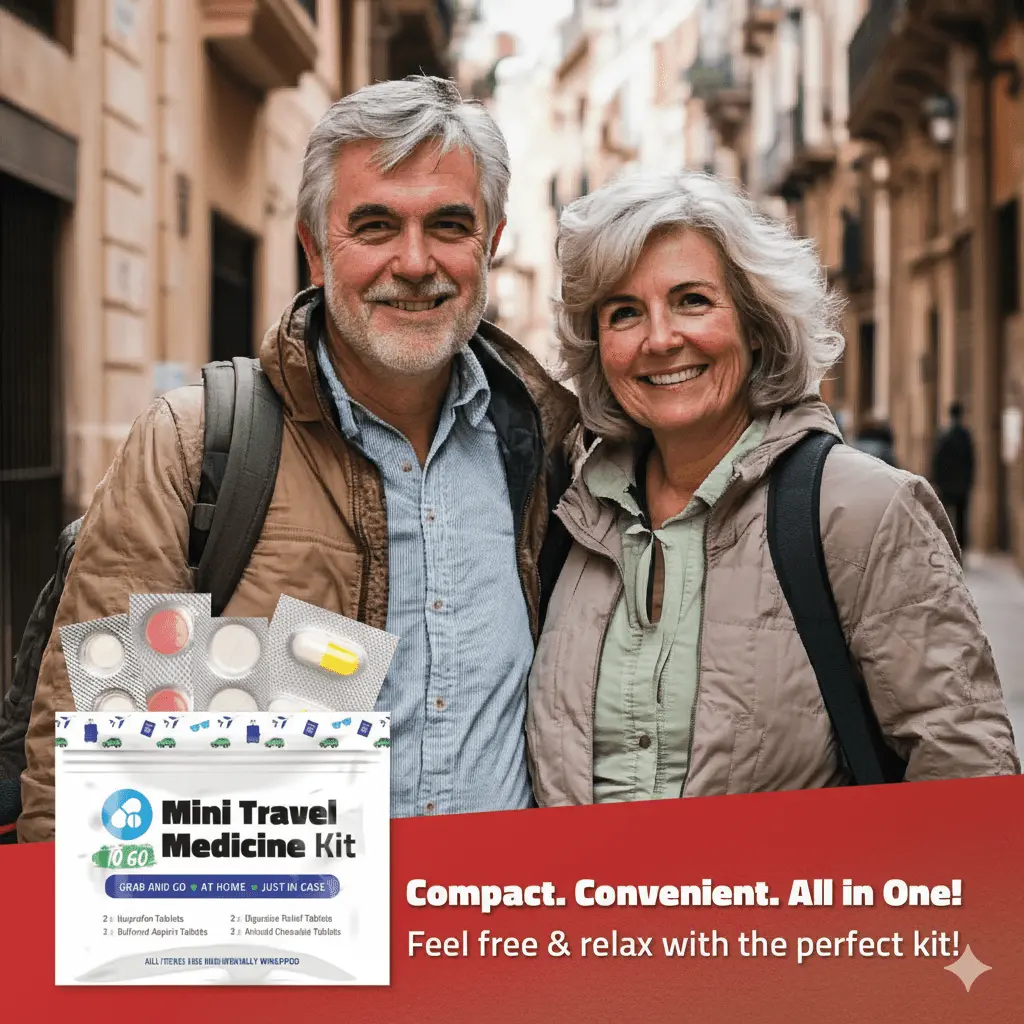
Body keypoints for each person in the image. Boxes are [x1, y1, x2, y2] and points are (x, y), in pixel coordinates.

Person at [19, 76, 578, 842]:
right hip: (276, 949)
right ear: (315, 248)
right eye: (375, 225)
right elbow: (89, 765)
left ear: (492, 243)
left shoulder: (548, 452)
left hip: (489, 937)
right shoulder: (194, 445)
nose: (414, 262)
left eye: (448, 225)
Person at [526, 171, 1019, 805]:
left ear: (756, 324)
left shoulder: (861, 511)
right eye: (624, 312)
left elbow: (967, 779)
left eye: (692, 300)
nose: (660, 338)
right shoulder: (566, 518)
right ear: (599, 346)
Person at [931, 402, 974, 551]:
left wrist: (936, 480)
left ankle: (948, 547)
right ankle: (961, 548)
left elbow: (937, 460)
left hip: (947, 484)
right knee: (961, 517)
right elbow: (970, 460)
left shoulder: (944, 434)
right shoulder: (965, 435)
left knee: (946, 517)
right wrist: (969, 481)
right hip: (961, 484)